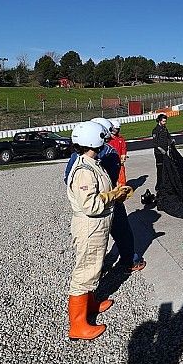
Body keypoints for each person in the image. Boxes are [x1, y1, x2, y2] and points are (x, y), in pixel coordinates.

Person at [65, 121, 132, 340]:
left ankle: (90, 304)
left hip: (97, 225)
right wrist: (115, 196)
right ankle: (77, 326)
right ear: (94, 141)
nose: (105, 142)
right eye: (102, 139)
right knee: (84, 272)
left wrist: (115, 191)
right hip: (89, 226)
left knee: (93, 268)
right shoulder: (84, 170)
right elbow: (91, 205)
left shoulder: (92, 162)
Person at [65, 117, 146, 274]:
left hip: (85, 205)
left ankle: (96, 266)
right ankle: (130, 260)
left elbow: (67, 178)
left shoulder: (77, 156)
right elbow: (111, 178)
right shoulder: (109, 152)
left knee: (91, 241)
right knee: (122, 232)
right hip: (108, 201)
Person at [152, 113, 175, 193]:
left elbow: (168, 136)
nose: (165, 123)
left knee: (166, 168)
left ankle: (166, 183)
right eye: (163, 121)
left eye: (165, 121)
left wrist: (171, 140)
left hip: (165, 152)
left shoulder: (164, 128)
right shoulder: (155, 130)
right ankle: (158, 185)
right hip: (159, 153)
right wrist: (161, 149)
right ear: (159, 121)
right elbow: (155, 143)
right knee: (160, 169)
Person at [107, 120, 128, 186]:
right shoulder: (108, 139)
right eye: (116, 129)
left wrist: (123, 155)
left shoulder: (120, 138)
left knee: (122, 176)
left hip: (119, 161)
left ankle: (122, 189)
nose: (117, 130)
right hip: (109, 161)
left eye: (118, 129)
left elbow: (123, 148)